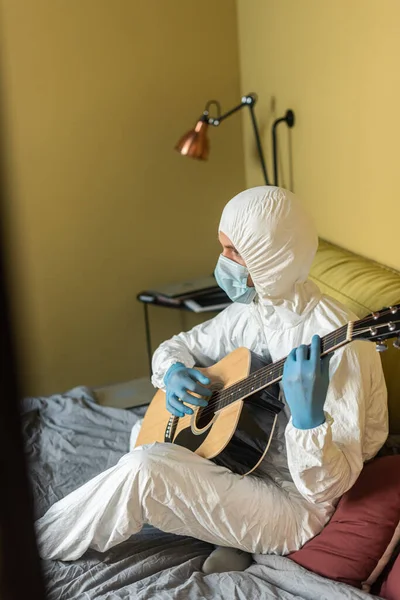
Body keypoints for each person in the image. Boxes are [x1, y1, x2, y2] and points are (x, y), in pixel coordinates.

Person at [35, 186, 388, 571]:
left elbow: (329, 487)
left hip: (293, 504)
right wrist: (172, 373)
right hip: (239, 461)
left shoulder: (343, 344)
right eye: (223, 247)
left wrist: (308, 422)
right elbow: (181, 345)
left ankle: (28, 548)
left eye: (234, 251)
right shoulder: (254, 309)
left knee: (145, 468)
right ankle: (228, 534)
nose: (224, 261)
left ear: (268, 257)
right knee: (145, 433)